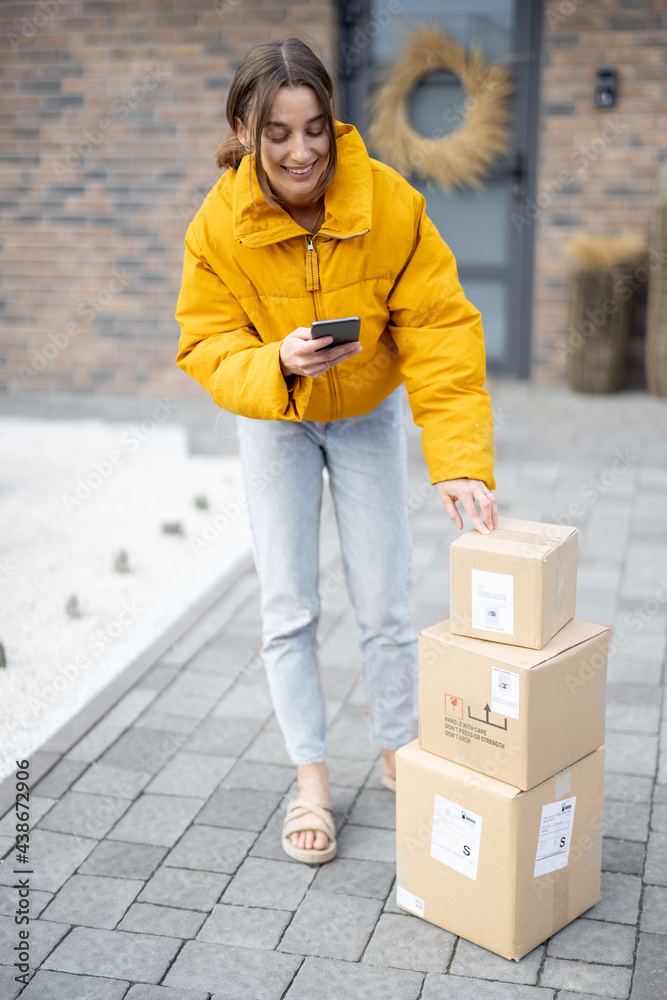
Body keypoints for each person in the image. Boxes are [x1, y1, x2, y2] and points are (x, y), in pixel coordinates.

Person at [175, 37, 497, 865]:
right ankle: (311, 779)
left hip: (365, 415)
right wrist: (274, 363)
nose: (301, 150)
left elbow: (439, 328)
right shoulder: (218, 222)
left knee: (386, 600)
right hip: (275, 416)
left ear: (333, 122)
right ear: (246, 132)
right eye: (277, 133)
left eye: (314, 128)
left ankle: (396, 751)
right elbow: (205, 342)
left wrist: (457, 458)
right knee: (289, 607)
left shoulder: (389, 202)